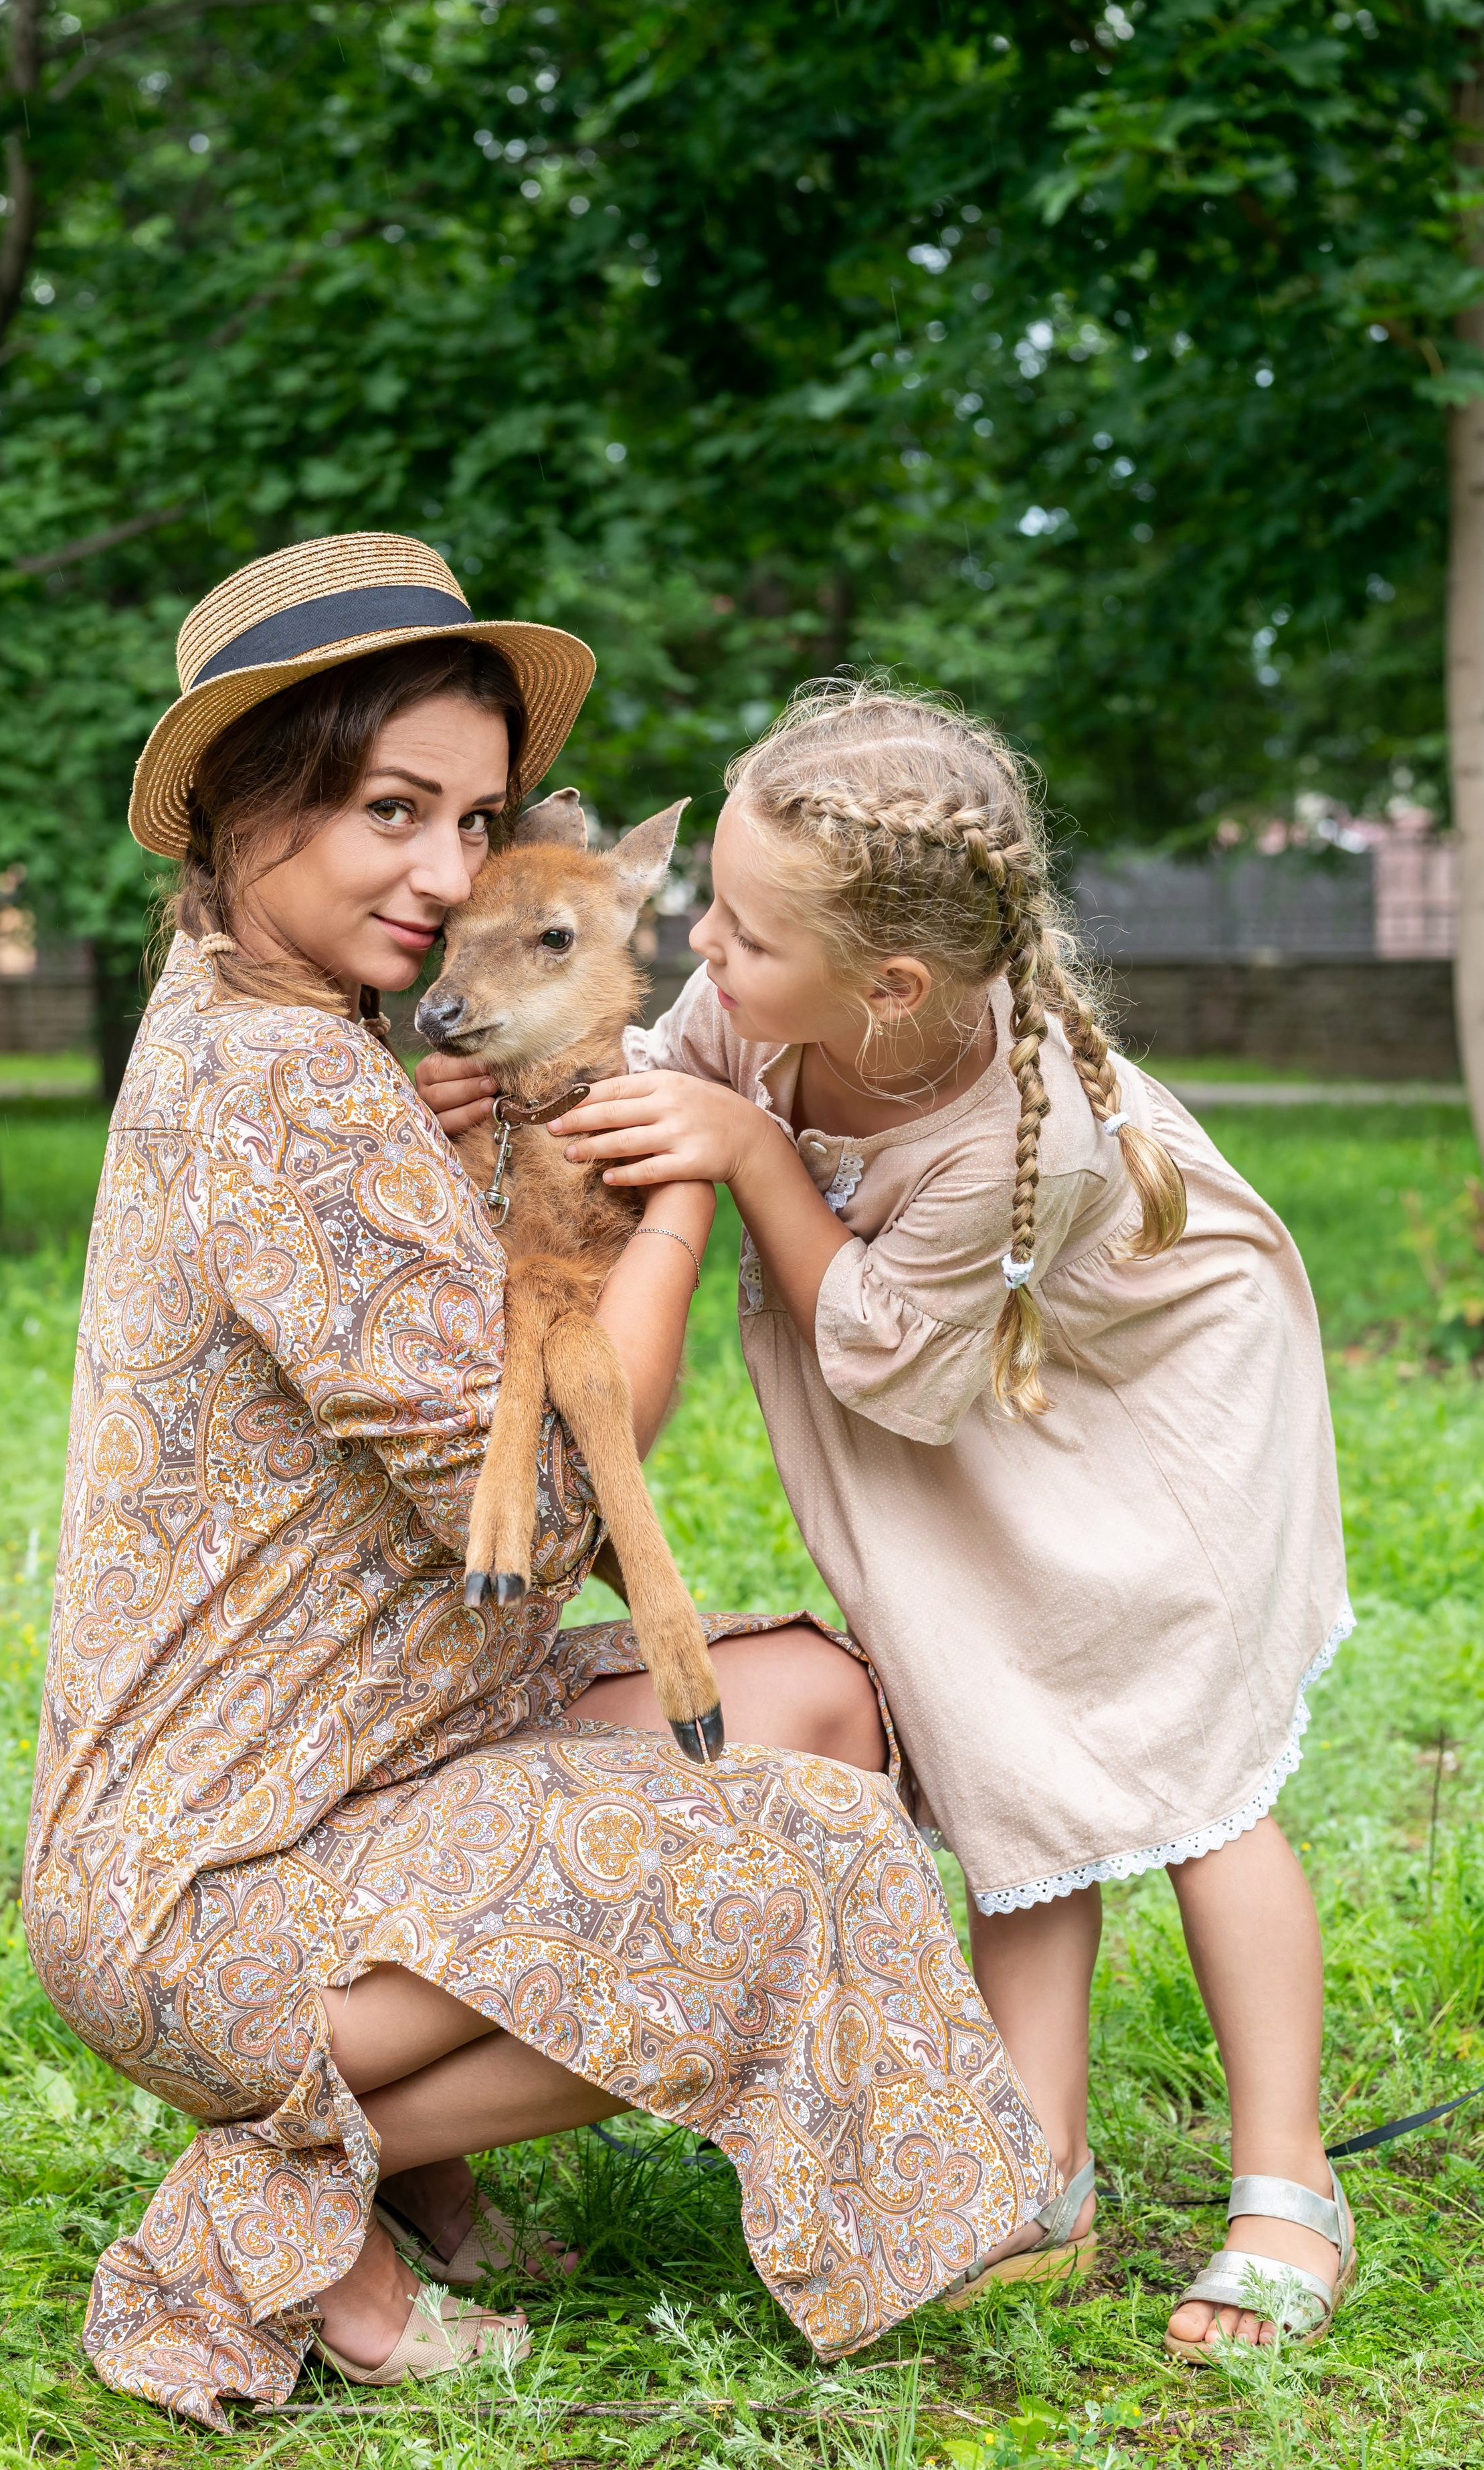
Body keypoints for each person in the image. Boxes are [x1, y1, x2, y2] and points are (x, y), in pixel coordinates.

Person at [23, 544, 1055, 2429]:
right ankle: (284, 2220)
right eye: (386, 811)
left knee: (813, 1705)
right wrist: (668, 1189)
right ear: (251, 799)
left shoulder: (278, 1028)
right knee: (801, 1862)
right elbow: (549, 1504)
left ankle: (408, 2164)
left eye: (476, 816)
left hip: (342, 1766)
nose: (444, 871)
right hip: (218, 1887)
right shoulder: (297, 1088)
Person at [419, 677, 1358, 2363]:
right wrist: (536, 1099)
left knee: (1191, 1772)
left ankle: (1286, 2178)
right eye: (709, 910)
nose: (702, 949)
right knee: (995, 1728)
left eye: (744, 936)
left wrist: (758, 1167)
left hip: (1151, 1400)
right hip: (966, 1399)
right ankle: (1031, 2163)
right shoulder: (755, 1007)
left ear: (891, 985)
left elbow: (898, 1371)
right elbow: (655, 1097)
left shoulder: (1034, 1137)